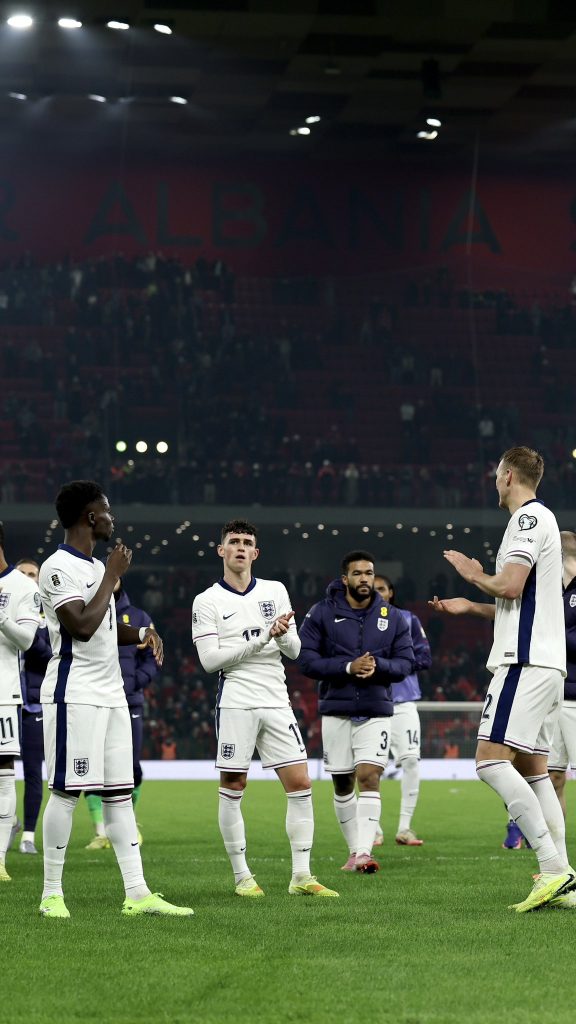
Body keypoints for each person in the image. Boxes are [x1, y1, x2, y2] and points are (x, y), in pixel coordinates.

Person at [429, 446, 576, 912]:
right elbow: (522, 604)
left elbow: (509, 585)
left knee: (490, 761)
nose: (495, 482)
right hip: (547, 664)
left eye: (496, 475)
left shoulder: (528, 520)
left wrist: (475, 575)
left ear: (508, 475)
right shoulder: (544, 521)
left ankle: (552, 868)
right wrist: (471, 606)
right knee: (535, 772)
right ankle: (564, 877)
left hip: (523, 663)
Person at [38, 480, 193, 918]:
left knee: (120, 795)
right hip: (76, 695)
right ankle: (52, 894)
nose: (112, 518)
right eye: (106, 511)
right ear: (90, 517)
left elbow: (104, 629)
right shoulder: (58, 567)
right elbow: (80, 627)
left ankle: (138, 893)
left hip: (111, 696)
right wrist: (112, 575)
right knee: (67, 792)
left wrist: (141, 633)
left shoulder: (91, 569)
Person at [192, 518, 338, 899]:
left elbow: (295, 651)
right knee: (234, 785)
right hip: (236, 699)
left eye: (247, 543)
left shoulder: (275, 591)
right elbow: (211, 661)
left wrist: (283, 634)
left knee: (301, 784)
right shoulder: (207, 601)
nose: (240, 547)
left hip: (276, 698)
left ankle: (301, 876)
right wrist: (261, 638)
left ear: (256, 553)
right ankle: (242, 877)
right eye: (233, 542)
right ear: (221, 550)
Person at [298, 551, 414, 874]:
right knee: (343, 782)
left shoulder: (392, 617)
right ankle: (354, 851)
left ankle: (364, 852)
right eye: (358, 573)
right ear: (345, 578)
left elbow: (406, 663)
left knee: (369, 775)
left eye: (369, 573)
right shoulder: (321, 613)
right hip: (336, 709)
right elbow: (306, 661)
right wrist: (348, 667)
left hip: (377, 709)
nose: (365, 579)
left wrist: (378, 666)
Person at [85, 578, 158, 850]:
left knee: (132, 767)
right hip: (93, 701)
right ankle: (101, 831)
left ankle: (129, 822)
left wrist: (135, 681)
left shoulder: (139, 617)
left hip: (130, 702)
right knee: (92, 767)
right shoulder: (85, 613)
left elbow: (152, 658)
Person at [373, 574, 431, 846]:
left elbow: (424, 657)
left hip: (403, 701)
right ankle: (373, 829)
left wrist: (393, 665)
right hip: (370, 702)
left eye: (382, 588)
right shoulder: (355, 623)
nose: (378, 592)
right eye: (373, 589)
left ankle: (404, 828)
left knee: (411, 762)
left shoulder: (408, 619)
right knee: (370, 768)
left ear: (391, 592)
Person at [0, 526, 41, 881]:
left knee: (4, 778)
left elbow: (28, 639)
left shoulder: (22, 588)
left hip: (3, 694)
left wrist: (0, 616)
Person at [15, 559, 51, 855]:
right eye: (22, 574)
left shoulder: (49, 617)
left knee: (32, 772)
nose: (27, 578)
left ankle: (28, 833)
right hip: (6, 700)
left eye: (32, 574)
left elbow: (51, 655)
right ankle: (10, 817)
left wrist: (32, 633)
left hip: (33, 707)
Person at [547, 530, 576, 818]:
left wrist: (548, 635)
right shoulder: (554, 591)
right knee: (553, 777)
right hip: (556, 696)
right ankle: (556, 852)